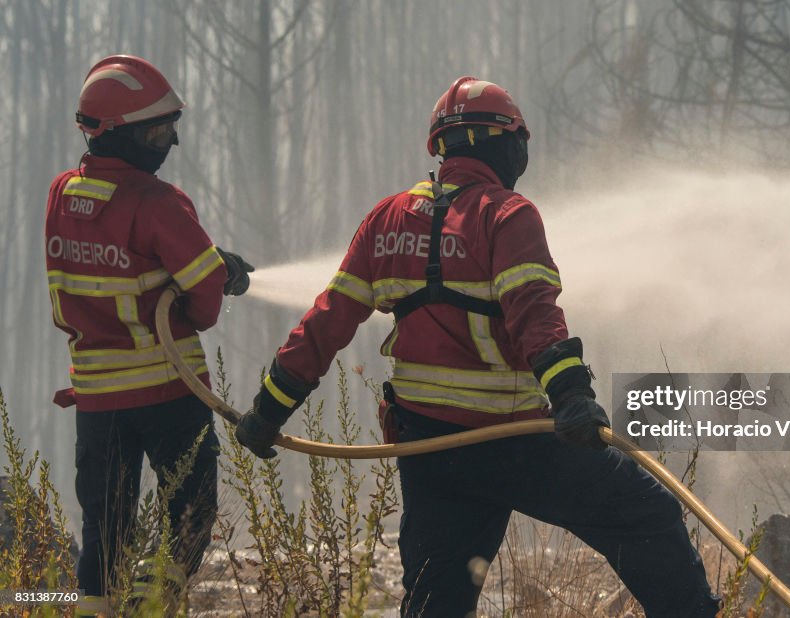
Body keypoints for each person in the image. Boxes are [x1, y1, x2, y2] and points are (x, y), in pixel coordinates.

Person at [235, 76, 720, 617]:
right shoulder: (507, 215)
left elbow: (327, 322)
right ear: (505, 143)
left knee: (435, 604)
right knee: (644, 513)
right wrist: (571, 395)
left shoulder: (386, 220)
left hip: (431, 450)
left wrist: (268, 409)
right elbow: (534, 313)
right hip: (513, 440)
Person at [45, 55, 253, 614]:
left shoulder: (62, 195)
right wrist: (220, 272)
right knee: (190, 512)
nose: (171, 142)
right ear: (119, 135)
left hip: (97, 401)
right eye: (159, 130)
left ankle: (97, 607)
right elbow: (205, 301)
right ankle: (149, 606)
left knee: (104, 531)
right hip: (167, 395)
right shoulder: (158, 202)